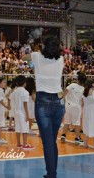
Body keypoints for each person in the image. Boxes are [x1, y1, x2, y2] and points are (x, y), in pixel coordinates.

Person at [31, 35, 65, 178]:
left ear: (44, 46)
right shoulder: (61, 59)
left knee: (48, 142)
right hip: (58, 103)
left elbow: (31, 52)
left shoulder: (36, 57)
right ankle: (52, 173)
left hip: (43, 101)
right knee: (52, 140)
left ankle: (51, 174)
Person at [60, 72, 87, 144]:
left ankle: (63, 135)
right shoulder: (83, 89)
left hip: (68, 105)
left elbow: (65, 91)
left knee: (67, 121)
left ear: (78, 79)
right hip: (77, 106)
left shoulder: (72, 85)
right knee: (77, 122)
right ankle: (77, 138)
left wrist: (63, 98)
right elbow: (82, 101)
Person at [10, 75, 34, 150]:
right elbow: (25, 103)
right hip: (22, 112)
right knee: (24, 128)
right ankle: (25, 144)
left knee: (18, 128)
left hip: (16, 112)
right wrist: (27, 114)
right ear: (24, 83)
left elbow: (9, 98)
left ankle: (18, 143)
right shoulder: (25, 92)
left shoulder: (15, 91)